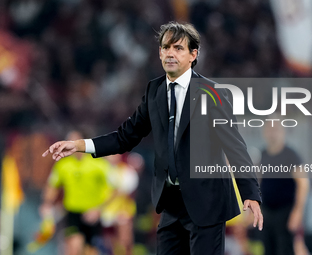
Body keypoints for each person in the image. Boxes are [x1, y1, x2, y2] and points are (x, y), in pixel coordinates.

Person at [43, 22, 263, 255]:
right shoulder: (154, 91)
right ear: (159, 52)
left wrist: (250, 192)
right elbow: (125, 137)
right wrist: (80, 145)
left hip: (207, 200)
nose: (170, 53)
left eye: (178, 48)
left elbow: (234, 146)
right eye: (165, 47)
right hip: (171, 204)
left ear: (193, 55)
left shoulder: (214, 93)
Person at [40, 130, 116, 255]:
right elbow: (52, 186)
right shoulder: (63, 164)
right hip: (73, 212)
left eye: (73, 141)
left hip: (93, 214)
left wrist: (99, 209)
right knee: (73, 247)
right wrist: (47, 203)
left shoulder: (99, 164)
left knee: (91, 251)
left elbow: (115, 189)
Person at [260, 120, 310, 255]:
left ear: (282, 132)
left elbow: (303, 183)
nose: (272, 133)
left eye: (275, 130)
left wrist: (298, 212)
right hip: (267, 211)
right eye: (269, 130)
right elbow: (259, 181)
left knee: (286, 249)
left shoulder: (291, 155)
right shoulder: (263, 154)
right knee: (269, 249)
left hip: (286, 212)